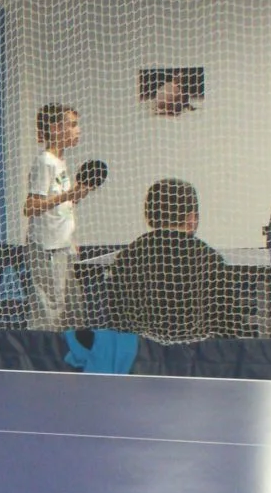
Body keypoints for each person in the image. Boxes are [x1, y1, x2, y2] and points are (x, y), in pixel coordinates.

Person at [104, 179, 237, 341]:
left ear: (149, 215)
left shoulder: (127, 256)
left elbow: (115, 314)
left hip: (141, 350)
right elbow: (227, 319)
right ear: (192, 217)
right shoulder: (209, 258)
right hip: (195, 351)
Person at [21, 104, 97, 325]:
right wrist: (67, 195)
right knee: (49, 313)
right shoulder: (45, 161)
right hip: (46, 249)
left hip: (63, 247)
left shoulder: (60, 162)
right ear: (55, 129)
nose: (78, 130)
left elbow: (59, 207)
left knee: (72, 311)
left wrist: (77, 194)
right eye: (72, 125)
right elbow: (30, 207)